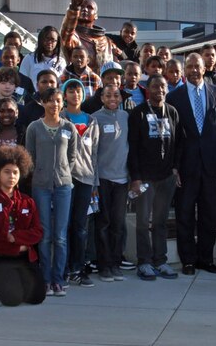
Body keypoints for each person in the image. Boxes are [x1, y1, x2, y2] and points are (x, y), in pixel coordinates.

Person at [168, 53, 216, 276]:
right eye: (190, 67)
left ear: (205, 68)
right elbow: (171, 136)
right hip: (185, 167)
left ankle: (205, 259)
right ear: (184, 70)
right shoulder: (174, 97)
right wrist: (174, 167)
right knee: (184, 214)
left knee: (210, 214)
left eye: (197, 66)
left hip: (212, 167)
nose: (194, 70)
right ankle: (188, 260)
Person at [25, 87, 78, 297]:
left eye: (57, 100)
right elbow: (29, 156)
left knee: (61, 236)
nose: (54, 104)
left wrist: (64, 172)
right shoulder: (34, 127)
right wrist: (40, 172)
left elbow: (72, 156)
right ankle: (45, 279)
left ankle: (58, 279)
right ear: (43, 103)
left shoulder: (69, 128)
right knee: (45, 235)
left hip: (64, 185)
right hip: (41, 186)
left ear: (62, 103)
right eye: (50, 101)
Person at [127, 75, 181, 281]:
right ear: (147, 90)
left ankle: (161, 260)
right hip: (145, 178)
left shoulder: (172, 112)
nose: (159, 89)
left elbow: (179, 144)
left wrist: (175, 169)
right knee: (143, 221)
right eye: (155, 86)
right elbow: (132, 148)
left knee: (160, 221)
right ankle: (145, 262)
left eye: (163, 86)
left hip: (166, 177)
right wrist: (136, 177)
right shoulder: (138, 113)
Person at [0, 146, 46, 306]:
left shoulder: (28, 202)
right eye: (7, 172)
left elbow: (37, 232)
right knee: (13, 300)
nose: (11, 176)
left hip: (24, 258)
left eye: (15, 172)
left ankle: (16, 280)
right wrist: (16, 247)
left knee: (37, 297)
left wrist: (15, 237)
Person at [61, 79, 100, 288]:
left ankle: (78, 266)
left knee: (80, 226)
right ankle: (64, 267)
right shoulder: (59, 118)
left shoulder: (91, 120)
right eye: (70, 91)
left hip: (85, 179)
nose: (75, 94)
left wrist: (94, 182)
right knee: (64, 225)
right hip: (65, 179)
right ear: (64, 95)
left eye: (79, 91)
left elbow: (94, 153)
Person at [93, 82, 130, 282]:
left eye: (116, 95)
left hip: (122, 179)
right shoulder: (95, 118)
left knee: (118, 223)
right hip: (103, 179)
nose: (112, 99)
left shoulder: (126, 117)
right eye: (108, 96)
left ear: (121, 97)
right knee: (103, 223)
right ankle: (104, 265)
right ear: (102, 98)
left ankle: (115, 263)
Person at [61, 0, 120, 73]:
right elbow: (66, 33)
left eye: (90, 7)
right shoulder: (74, 36)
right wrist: (74, 7)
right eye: (81, 6)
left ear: (96, 15)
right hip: (79, 82)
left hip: (102, 84)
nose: (84, 9)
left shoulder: (107, 41)